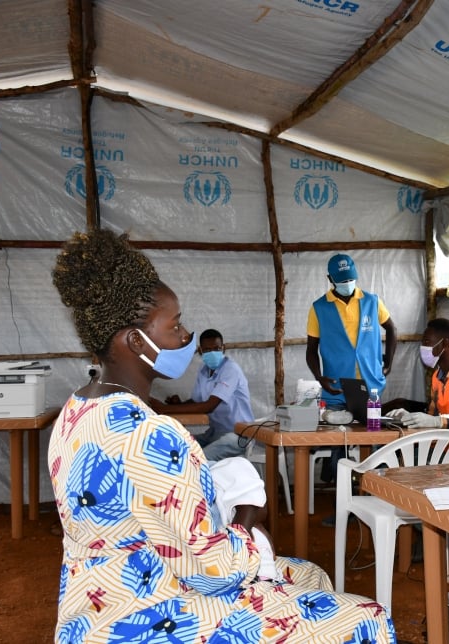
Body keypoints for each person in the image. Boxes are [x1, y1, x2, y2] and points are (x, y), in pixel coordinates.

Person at [50, 229, 396, 644]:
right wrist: (250, 521)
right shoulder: (146, 433)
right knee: (368, 619)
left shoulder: (76, 411)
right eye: (175, 326)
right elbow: (214, 572)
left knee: (309, 574)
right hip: (153, 613)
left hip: (96, 602)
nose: (185, 338)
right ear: (133, 340)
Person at [306, 253, 397, 483]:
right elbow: (311, 349)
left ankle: (374, 490)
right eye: (342, 280)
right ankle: (340, 501)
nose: (347, 284)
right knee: (338, 443)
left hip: (370, 386)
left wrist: (388, 362)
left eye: (350, 278)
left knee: (373, 440)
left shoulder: (372, 301)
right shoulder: (319, 308)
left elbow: (392, 329)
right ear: (330, 278)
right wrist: (320, 377)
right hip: (337, 387)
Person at [149, 328, 255, 462]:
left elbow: (209, 406)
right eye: (207, 349)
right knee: (179, 447)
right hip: (215, 432)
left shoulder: (230, 369)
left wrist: (164, 409)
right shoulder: (204, 370)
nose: (212, 353)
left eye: (216, 349)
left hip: (239, 436)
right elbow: (196, 401)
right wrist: (179, 404)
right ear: (200, 351)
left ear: (223, 348)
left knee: (195, 460)